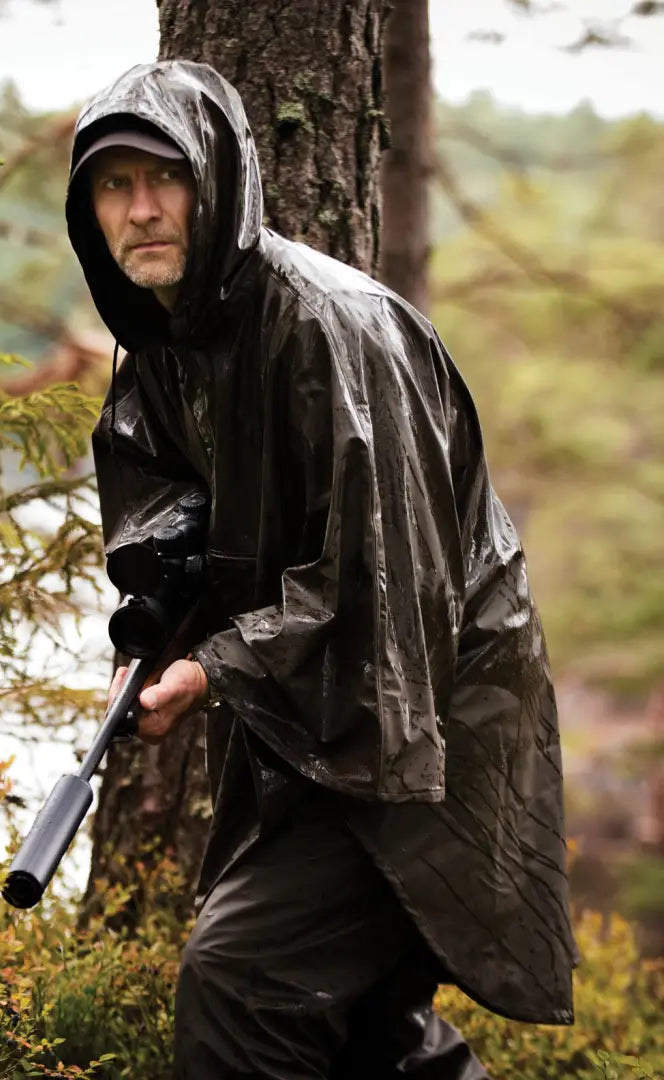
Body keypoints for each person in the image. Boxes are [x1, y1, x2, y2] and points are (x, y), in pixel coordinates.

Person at [67, 60, 577, 1080]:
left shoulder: (329, 329)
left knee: (242, 981)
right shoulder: (162, 344)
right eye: (113, 187)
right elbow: (174, 521)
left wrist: (214, 670)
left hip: (424, 720)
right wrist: (157, 635)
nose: (141, 210)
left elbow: (380, 586)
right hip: (321, 718)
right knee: (370, 1036)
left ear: (215, 182)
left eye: (161, 179)